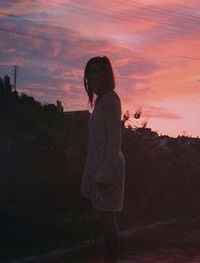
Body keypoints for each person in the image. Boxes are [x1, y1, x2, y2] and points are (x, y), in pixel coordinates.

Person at [80, 56, 126, 263]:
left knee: (109, 219)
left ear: (107, 74)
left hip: (109, 166)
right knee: (105, 217)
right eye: (89, 73)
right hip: (101, 165)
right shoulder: (101, 101)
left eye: (96, 72)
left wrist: (105, 173)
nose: (91, 77)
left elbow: (116, 137)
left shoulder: (110, 99)